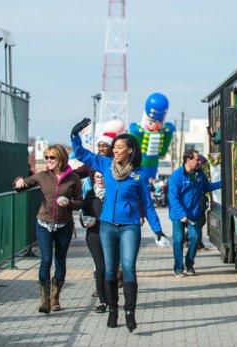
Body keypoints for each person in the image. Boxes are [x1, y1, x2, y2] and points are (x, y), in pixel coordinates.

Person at [71, 118, 166, 332]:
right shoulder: (105, 165)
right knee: (110, 271)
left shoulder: (139, 175)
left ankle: (130, 312)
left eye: (119, 147)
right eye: (114, 147)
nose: (115, 150)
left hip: (129, 227)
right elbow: (82, 155)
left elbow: (148, 206)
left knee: (129, 269)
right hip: (106, 226)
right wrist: (75, 135)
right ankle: (113, 310)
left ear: (130, 151)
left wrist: (158, 230)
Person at [13, 144, 82, 314]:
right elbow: (22, 185)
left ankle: (55, 297)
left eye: (52, 157)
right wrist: (18, 180)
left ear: (61, 158)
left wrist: (70, 203)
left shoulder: (73, 178)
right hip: (44, 223)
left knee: (60, 260)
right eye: (47, 157)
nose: (49, 160)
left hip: (64, 225)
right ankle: (44, 300)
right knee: (46, 260)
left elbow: (80, 202)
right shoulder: (42, 176)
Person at [168, 149, 222, 277]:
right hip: (178, 215)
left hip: (195, 213)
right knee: (178, 240)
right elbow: (173, 198)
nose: (199, 161)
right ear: (188, 160)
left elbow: (207, 187)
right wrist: (182, 215)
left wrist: (223, 183)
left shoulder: (199, 174)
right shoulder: (176, 176)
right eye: (197, 159)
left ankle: (189, 265)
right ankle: (178, 268)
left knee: (195, 238)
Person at [80, 171, 108, 313]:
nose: (101, 179)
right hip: (94, 236)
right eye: (98, 177)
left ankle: (111, 299)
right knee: (100, 268)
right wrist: (85, 221)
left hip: (111, 236)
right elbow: (83, 213)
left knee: (110, 269)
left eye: (103, 176)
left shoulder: (112, 192)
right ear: (93, 179)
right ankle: (103, 302)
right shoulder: (90, 194)